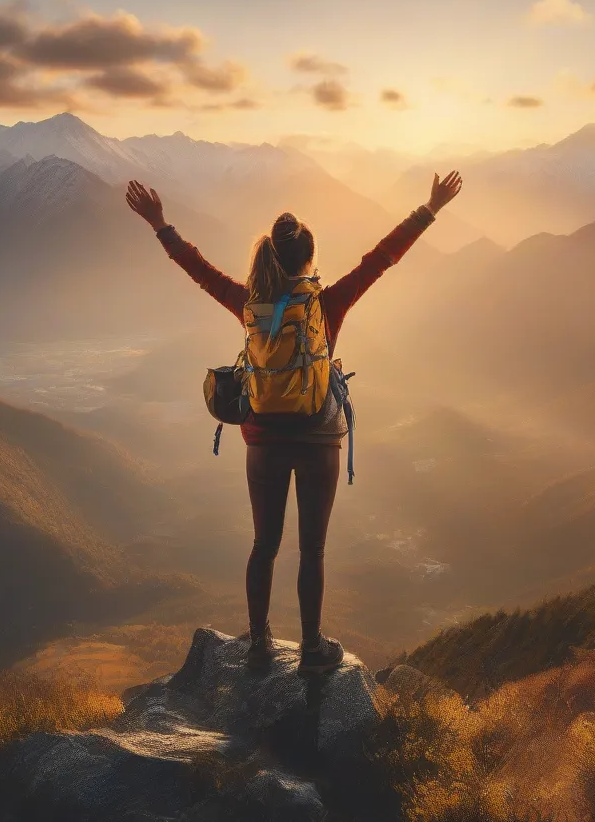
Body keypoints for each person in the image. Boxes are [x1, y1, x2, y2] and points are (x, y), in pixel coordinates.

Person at [126, 170, 463, 674]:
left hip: (262, 437)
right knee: (313, 548)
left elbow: (198, 270)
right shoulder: (326, 306)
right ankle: (310, 649)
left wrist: (160, 224)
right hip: (318, 438)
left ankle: (259, 644)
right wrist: (429, 208)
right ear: (310, 259)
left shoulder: (248, 306)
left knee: (264, 544)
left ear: (270, 258)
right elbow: (382, 259)